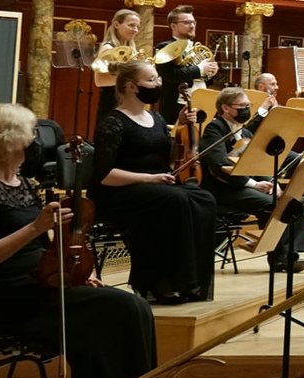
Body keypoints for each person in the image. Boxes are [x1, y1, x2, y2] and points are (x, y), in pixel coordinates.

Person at [0, 103, 157, 378]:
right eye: (30, 134)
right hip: (8, 296)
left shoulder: (22, 183)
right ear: (8, 140)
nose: (36, 142)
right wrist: (36, 227)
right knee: (111, 311)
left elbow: (46, 250)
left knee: (132, 306)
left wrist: (75, 275)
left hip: (40, 283)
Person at [90, 61, 220, 304]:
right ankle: (157, 283)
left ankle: (191, 282)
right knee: (175, 200)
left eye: (158, 79)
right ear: (130, 86)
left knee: (204, 198)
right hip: (120, 190)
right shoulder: (113, 122)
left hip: (156, 184)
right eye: (151, 80)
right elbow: (104, 174)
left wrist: (182, 128)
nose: (158, 84)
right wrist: (149, 178)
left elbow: (167, 159)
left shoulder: (157, 118)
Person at [197, 87, 304, 274]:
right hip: (224, 190)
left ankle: (290, 254)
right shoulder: (215, 129)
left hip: (246, 188)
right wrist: (254, 184)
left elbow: (259, 162)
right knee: (273, 205)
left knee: (296, 203)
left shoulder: (246, 134)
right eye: (242, 106)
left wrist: (272, 184)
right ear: (225, 108)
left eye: (248, 106)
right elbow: (219, 164)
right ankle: (279, 259)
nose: (246, 109)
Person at [152, 6, 217, 126]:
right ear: (173, 26)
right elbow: (172, 75)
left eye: (193, 22)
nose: (192, 26)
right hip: (177, 105)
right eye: (187, 22)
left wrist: (211, 72)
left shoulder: (199, 49)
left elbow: (204, 80)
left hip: (201, 103)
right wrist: (201, 68)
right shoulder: (164, 47)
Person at [92, 9, 144, 117]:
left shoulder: (131, 49)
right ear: (116, 24)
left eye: (137, 26)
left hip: (126, 102)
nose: (135, 30)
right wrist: (133, 79)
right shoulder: (108, 48)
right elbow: (99, 81)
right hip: (112, 103)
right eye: (131, 25)